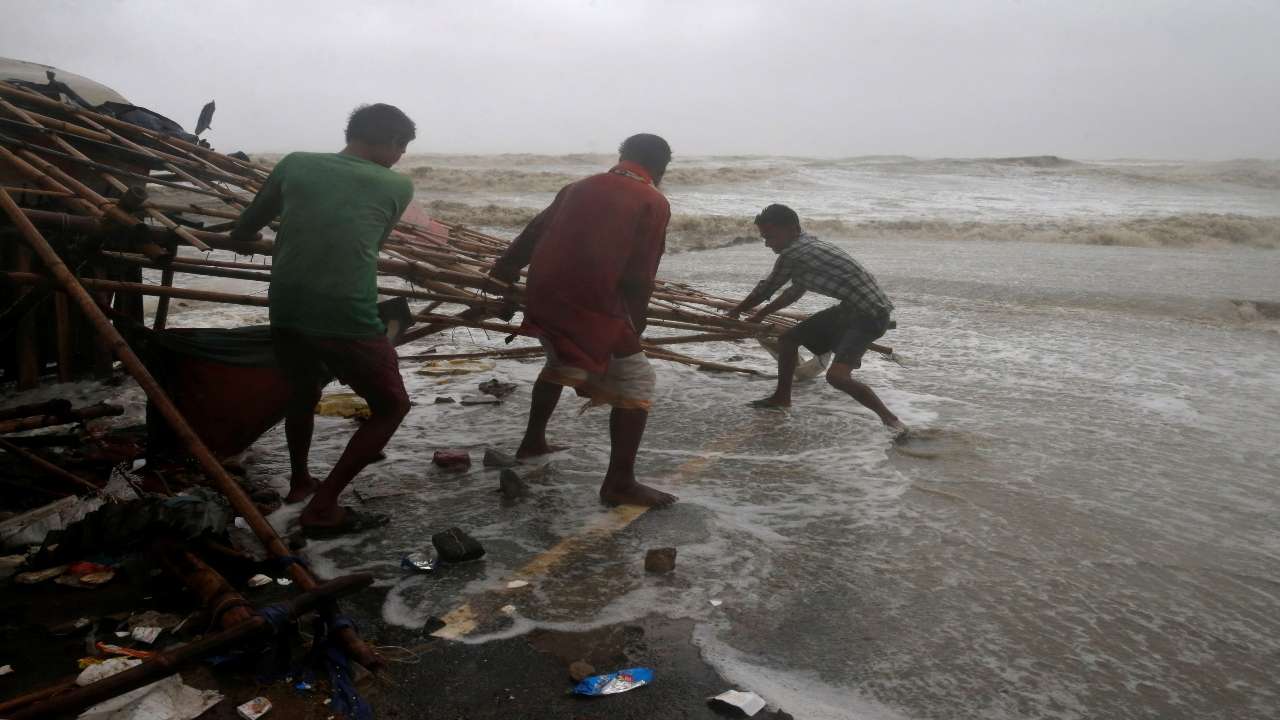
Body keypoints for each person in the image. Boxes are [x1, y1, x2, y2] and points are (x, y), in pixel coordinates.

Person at [230, 103, 417, 537]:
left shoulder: (295, 163)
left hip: (287, 306)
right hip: (345, 311)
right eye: (402, 146)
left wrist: (244, 239)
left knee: (303, 389)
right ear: (389, 141)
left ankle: (300, 483)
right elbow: (369, 243)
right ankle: (324, 505)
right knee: (392, 405)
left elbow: (249, 224)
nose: (401, 156)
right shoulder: (396, 185)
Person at [488, 134, 676, 507]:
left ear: (622, 156)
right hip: (589, 304)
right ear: (662, 168)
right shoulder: (652, 200)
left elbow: (533, 233)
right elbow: (640, 275)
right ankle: (619, 484)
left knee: (559, 362)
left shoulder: (576, 187)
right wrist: (634, 325)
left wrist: (503, 275)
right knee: (637, 379)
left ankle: (532, 442)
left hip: (543, 296)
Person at [729, 203, 907, 434]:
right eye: (764, 237)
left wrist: (737, 310)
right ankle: (782, 398)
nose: (767, 243)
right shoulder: (808, 244)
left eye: (771, 237)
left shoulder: (793, 254)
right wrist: (760, 314)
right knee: (788, 340)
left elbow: (767, 288)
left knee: (837, 377)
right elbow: (794, 291)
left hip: (868, 316)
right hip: (852, 309)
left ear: (792, 229)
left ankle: (892, 421)